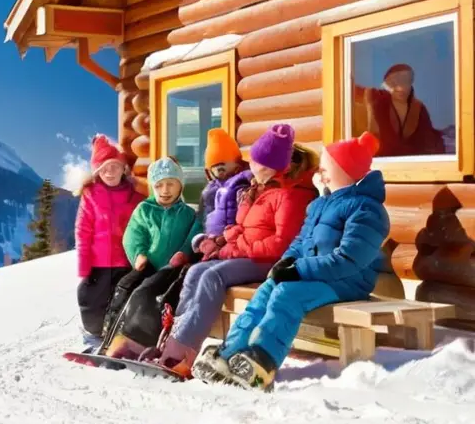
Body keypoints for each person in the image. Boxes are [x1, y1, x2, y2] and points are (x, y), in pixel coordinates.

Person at [193, 132, 390, 391]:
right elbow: (299, 242)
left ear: (346, 170)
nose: (322, 173)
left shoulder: (366, 209)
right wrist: (284, 265)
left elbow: (349, 259)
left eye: (327, 168)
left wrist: (299, 270)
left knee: (287, 294)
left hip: (348, 281)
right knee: (267, 289)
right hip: (315, 275)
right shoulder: (321, 204)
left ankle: (262, 360)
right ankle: (231, 353)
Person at [150, 124, 319, 377]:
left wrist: (234, 249)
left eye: (256, 162)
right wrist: (222, 241)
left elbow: (280, 244)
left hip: (270, 262)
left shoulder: (291, 195)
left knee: (212, 276)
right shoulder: (259, 188)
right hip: (247, 254)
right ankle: (172, 344)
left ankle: (183, 355)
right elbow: (241, 226)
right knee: (196, 271)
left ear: (272, 166)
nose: (251, 166)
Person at [98, 156, 202, 357]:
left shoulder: (187, 213)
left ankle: (138, 342)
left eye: (170, 184)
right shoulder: (145, 209)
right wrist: (139, 254)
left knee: (145, 296)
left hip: (172, 270)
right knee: (124, 287)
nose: (165, 190)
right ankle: (109, 338)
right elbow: (134, 234)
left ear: (180, 186)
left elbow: (192, 237)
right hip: (148, 265)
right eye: (159, 185)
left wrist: (183, 254)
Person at [74, 134, 145, 349]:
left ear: (123, 168)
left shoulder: (134, 195)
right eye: (104, 168)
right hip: (99, 262)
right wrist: (84, 266)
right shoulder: (91, 194)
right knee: (90, 299)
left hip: (125, 261)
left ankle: (118, 338)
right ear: (97, 172)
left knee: (121, 302)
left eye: (114, 166)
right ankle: (95, 335)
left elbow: (141, 228)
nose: (110, 172)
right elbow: (83, 231)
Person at [351, 63, 445, 157]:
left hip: (414, 164)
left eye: (405, 82)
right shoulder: (375, 98)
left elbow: (429, 141)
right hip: (381, 162)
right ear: (386, 84)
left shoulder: (419, 109)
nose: (400, 88)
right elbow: (347, 88)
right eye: (394, 82)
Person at [191, 129, 252, 261]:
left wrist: (223, 240)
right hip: (208, 244)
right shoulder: (209, 192)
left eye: (223, 166)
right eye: (214, 167)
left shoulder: (245, 184)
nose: (219, 171)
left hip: (233, 245)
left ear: (236, 164)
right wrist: (201, 239)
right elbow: (201, 220)